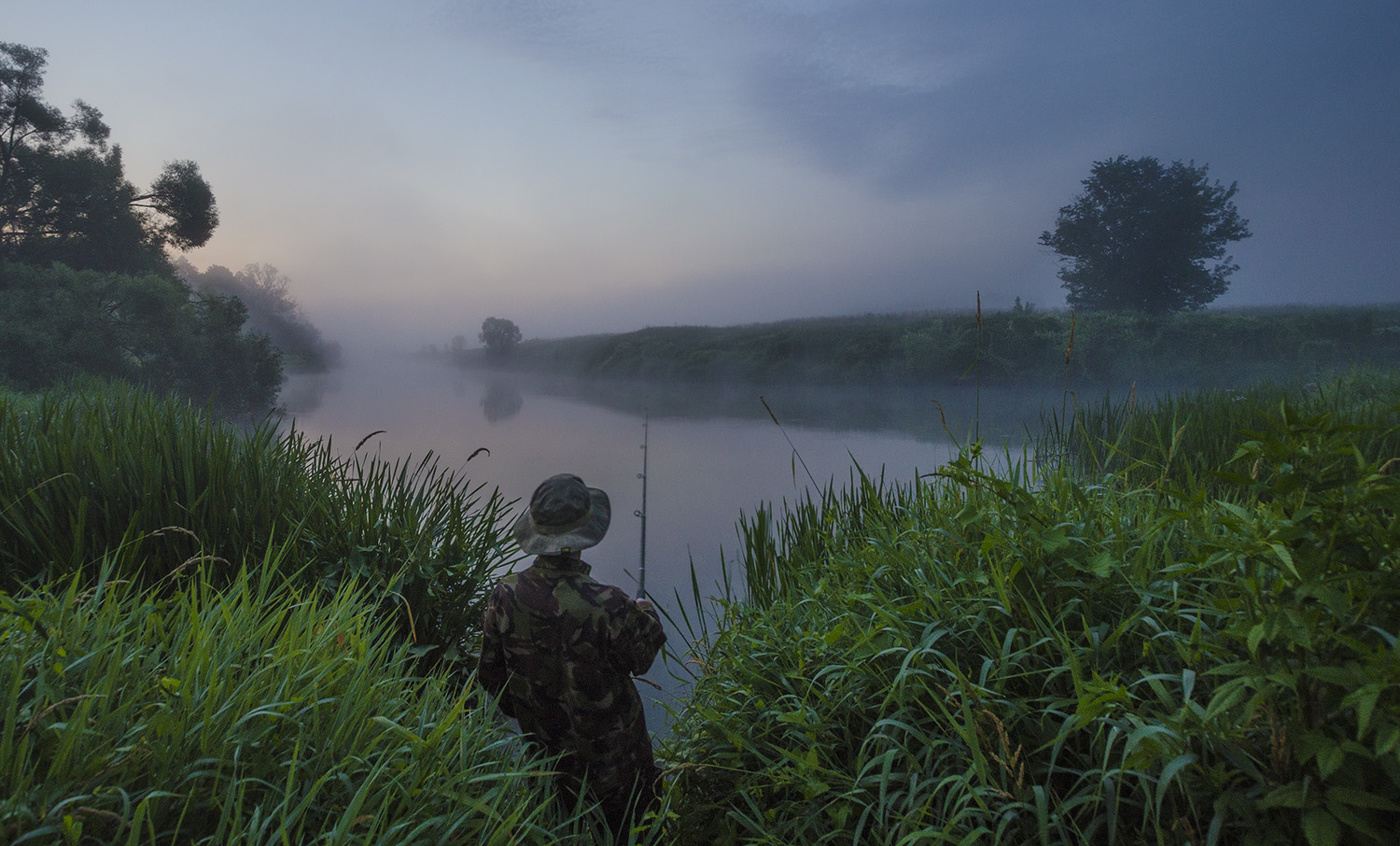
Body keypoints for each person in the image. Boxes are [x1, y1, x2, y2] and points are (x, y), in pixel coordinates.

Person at [478, 472, 666, 839]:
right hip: (620, 776)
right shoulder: (610, 604)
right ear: (584, 536)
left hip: (547, 771)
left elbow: (490, 679)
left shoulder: (503, 596)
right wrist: (645, 612)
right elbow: (642, 656)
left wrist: (537, 712)